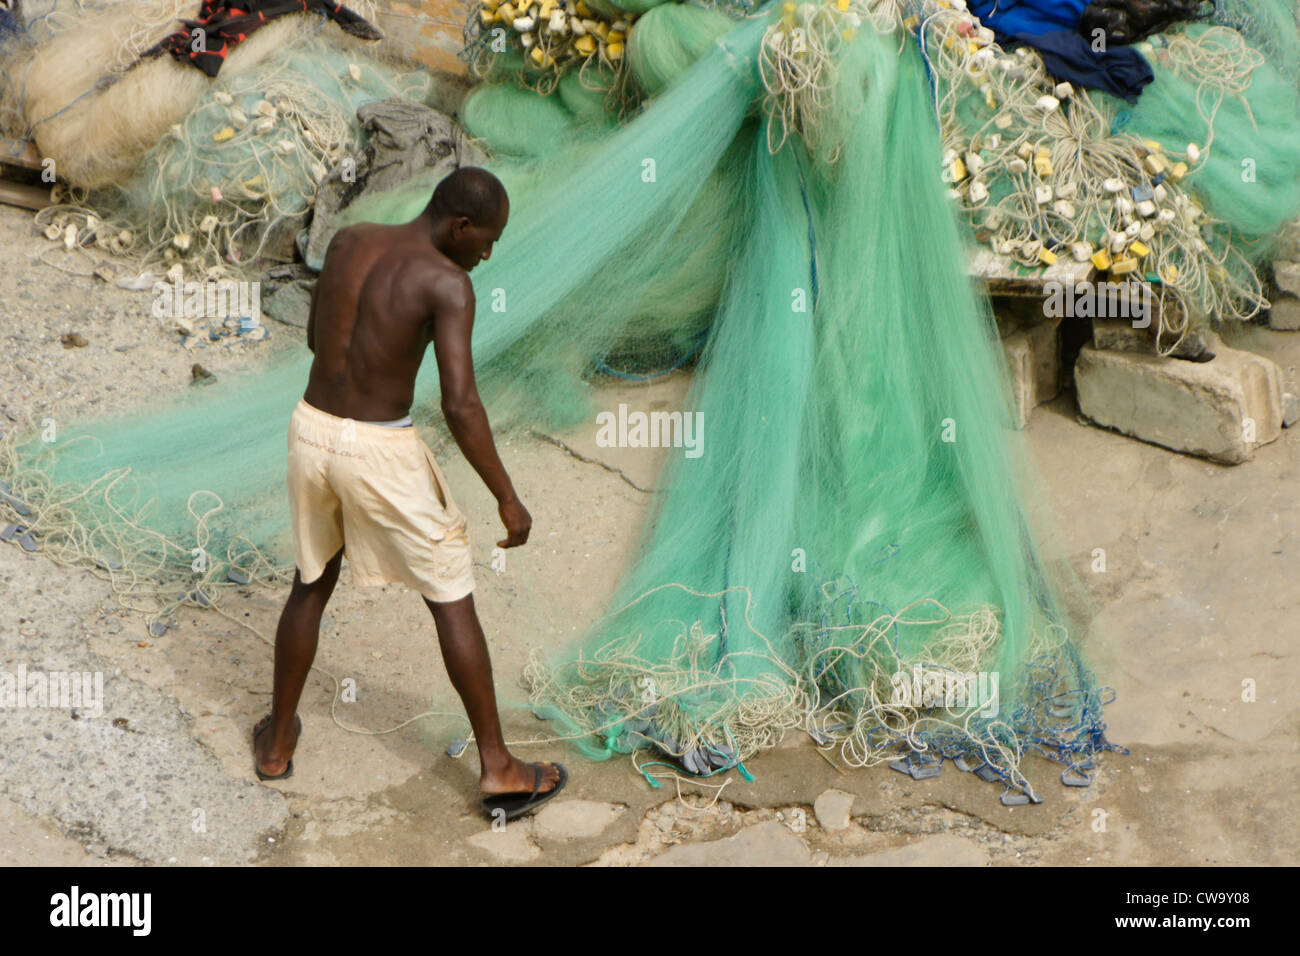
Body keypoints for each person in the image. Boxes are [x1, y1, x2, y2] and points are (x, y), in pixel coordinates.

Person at [252, 166, 566, 820]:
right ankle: (501, 770)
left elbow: (316, 341)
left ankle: (278, 740)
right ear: (460, 225)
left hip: (310, 430)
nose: (488, 254)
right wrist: (507, 496)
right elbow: (460, 404)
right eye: (487, 240)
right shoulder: (448, 284)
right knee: (451, 594)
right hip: (379, 448)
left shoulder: (348, 240)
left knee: (311, 581)